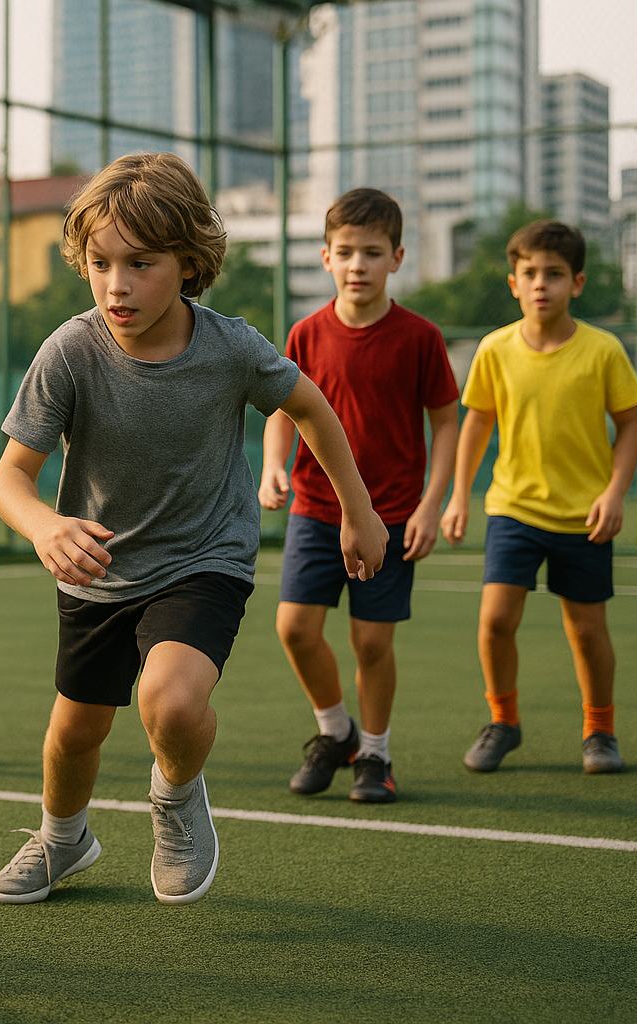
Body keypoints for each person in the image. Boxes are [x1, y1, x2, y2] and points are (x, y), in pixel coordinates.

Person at [0, 153, 390, 907]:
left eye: (141, 263)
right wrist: (43, 526)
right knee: (74, 734)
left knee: (169, 701)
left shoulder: (231, 347)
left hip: (206, 557)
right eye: (100, 263)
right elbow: (9, 476)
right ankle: (63, 840)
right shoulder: (70, 350)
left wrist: (358, 511)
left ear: (190, 262)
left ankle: (175, 797)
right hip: (99, 569)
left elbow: (311, 408)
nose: (116, 284)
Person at [259, 188, 460, 804]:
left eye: (372, 253)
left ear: (397, 258)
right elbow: (281, 410)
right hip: (316, 510)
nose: (358, 265)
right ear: (325, 257)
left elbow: (447, 421)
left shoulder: (420, 338)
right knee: (294, 628)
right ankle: (336, 731)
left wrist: (432, 504)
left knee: (372, 642)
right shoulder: (305, 334)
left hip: (392, 515)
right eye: (345, 252)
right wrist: (272, 464)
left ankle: (375, 752)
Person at [441, 220, 637, 774]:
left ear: (576, 283)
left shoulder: (603, 351)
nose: (541, 285)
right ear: (513, 282)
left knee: (585, 628)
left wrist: (615, 493)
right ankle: (503, 721)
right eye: (529, 273)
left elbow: (630, 426)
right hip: (513, 509)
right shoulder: (495, 350)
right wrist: (459, 496)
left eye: (554, 274)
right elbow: (476, 425)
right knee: (495, 620)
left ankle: (599, 730)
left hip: (584, 515)